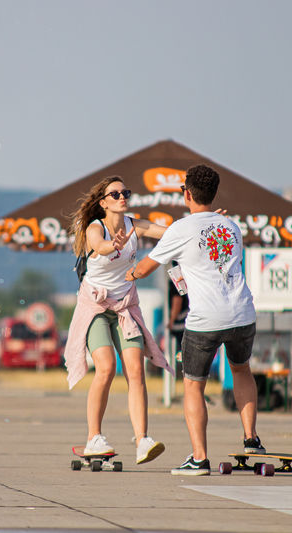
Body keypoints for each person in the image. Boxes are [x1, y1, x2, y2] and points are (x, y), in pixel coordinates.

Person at [129, 164, 265, 476]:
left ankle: (199, 457)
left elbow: (144, 268)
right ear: (213, 193)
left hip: (206, 318)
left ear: (186, 194)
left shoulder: (180, 229)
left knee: (193, 385)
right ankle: (251, 439)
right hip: (242, 312)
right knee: (241, 370)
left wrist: (125, 273)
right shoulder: (231, 226)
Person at [64, 175, 173, 465]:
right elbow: (99, 247)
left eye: (125, 192)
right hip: (96, 307)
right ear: (103, 203)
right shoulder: (94, 228)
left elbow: (170, 233)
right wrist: (115, 244)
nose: (122, 197)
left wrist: (204, 224)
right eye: (115, 194)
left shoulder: (134, 225)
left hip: (125, 306)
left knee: (136, 370)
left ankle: (142, 440)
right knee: (106, 368)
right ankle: (94, 437)